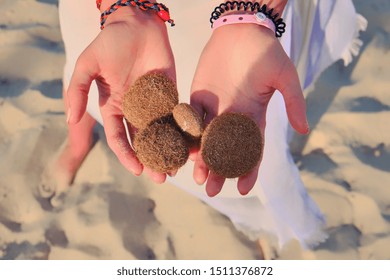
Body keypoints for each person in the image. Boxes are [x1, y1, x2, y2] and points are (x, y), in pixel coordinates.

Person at [41, 0, 366, 257]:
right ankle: (78, 143)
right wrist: (125, 9)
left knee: (248, 134)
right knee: (99, 78)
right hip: (117, 14)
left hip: (231, 18)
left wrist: (249, 15)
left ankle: (258, 221)